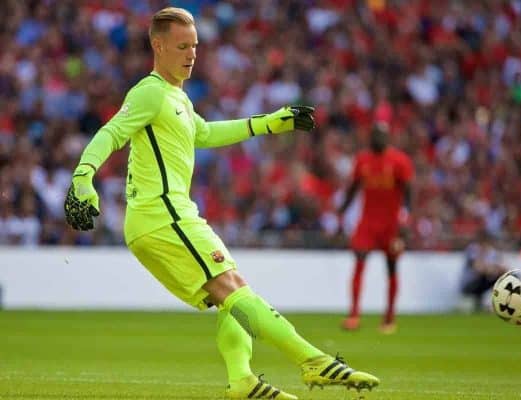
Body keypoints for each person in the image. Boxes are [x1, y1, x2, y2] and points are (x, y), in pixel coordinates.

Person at [63, 7, 379, 400]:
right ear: (158, 46)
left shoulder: (176, 98)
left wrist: (269, 122)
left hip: (165, 217)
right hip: (164, 215)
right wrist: (83, 177)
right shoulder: (149, 91)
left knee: (231, 297)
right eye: (182, 46)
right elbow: (111, 132)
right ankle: (311, 360)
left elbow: (206, 133)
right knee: (234, 290)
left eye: (194, 45)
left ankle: (242, 381)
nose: (192, 54)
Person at [338, 124, 414, 334]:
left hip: (391, 225)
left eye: (381, 136)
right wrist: (341, 212)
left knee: (391, 267)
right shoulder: (362, 160)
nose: (377, 139)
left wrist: (405, 221)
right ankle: (354, 315)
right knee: (359, 261)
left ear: (387, 138)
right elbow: (353, 189)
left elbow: (408, 194)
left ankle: (389, 318)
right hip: (368, 223)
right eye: (374, 135)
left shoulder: (399, 161)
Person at [459, 232, 508, 312]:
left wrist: (493, 269)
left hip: (485, 281)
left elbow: (504, 269)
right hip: (470, 283)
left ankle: (497, 303)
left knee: (501, 278)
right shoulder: (472, 250)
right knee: (485, 277)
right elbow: (477, 268)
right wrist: (490, 269)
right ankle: (485, 304)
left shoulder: (493, 252)